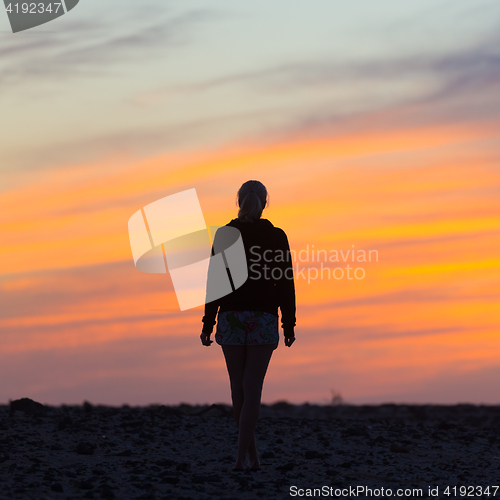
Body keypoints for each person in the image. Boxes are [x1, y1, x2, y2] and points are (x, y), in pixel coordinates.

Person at [200, 180, 296, 471]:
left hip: (231, 317)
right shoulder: (277, 236)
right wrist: (288, 324)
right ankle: (246, 458)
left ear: (238, 201)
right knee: (253, 388)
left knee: (237, 389)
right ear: (265, 203)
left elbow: (214, 283)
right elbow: (286, 283)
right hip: (264, 319)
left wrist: (208, 322)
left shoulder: (225, 235)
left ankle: (247, 457)